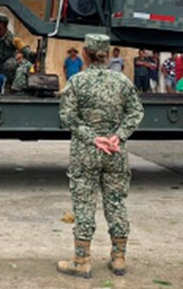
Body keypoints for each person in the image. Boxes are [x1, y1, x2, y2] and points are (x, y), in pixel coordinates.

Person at [56, 34, 144, 278]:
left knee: (84, 204)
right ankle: (119, 258)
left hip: (86, 151)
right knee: (116, 202)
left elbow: (67, 116)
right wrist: (118, 136)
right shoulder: (122, 81)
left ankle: (81, 260)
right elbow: (136, 112)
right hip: (115, 151)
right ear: (106, 54)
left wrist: (92, 137)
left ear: (85, 54)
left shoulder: (77, 81)